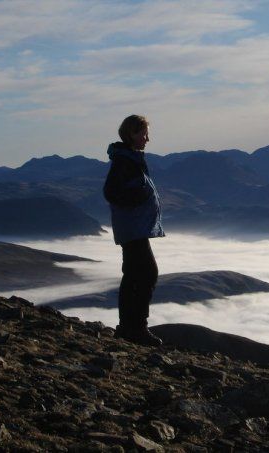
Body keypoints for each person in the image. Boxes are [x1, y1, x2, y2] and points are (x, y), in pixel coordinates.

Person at [103, 114, 165, 346]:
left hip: (134, 227)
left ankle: (128, 327)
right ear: (132, 134)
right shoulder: (124, 161)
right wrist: (137, 198)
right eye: (144, 134)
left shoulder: (129, 159)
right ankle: (136, 328)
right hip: (133, 228)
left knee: (134, 275)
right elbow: (111, 191)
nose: (147, 139)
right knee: (146, 273)